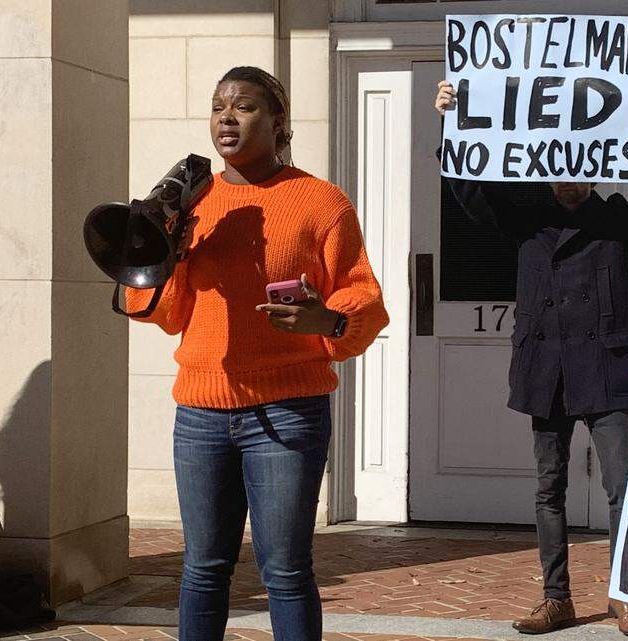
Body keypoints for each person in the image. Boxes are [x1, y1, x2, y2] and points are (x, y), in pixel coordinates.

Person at [125, 66, 389, 641]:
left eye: (244, 107)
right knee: (202, 569)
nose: (227, 116)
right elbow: (165, 313)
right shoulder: (188, 206)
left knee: (286, 571)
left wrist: (328, 320)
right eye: (219, 105)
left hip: (288, 411)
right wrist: (159, 246)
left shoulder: (321, 202)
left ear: (278, 123)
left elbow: (362, 298)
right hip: (200, 414)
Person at [434, 80, 628, 637]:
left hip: (606, 365)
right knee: (548, 486)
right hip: (545, 370)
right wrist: (452, 123)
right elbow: (464, 188)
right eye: (561, 168)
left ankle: (626, 597)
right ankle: (557, 599)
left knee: (622, 486)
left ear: (599, 165)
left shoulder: (616, 217)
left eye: (583, 168)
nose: (572, 180)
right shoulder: (522, 216)